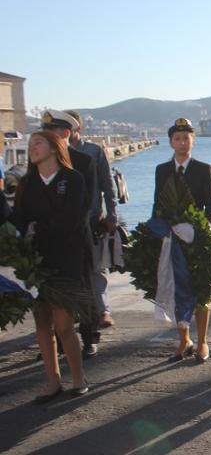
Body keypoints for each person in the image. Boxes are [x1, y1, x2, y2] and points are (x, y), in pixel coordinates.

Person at [13, 130, 90, 402]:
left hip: (64, 260)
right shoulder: (27, 183)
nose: (32, 148)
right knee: (42, 324)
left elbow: (72, 219)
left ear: (55, 148)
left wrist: (38, 228)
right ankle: (53, 381)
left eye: (38, 143)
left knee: (64, 325)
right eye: (30, 144)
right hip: (36, 261)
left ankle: (78, 378)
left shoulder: (73, 179)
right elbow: (19, 219)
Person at [152, 118, 211, 363]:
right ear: (171, 142)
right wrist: (157, 231)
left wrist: (197, 228)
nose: (182, 142)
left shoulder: (203, 169)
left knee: (201, 289)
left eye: (186, 138)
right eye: (177, 138)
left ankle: (202, 342)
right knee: (175, 288)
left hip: (195, 240)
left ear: (193, 140)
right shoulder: (162, 170)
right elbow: (157, 204)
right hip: (170, 238)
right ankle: (184, 340)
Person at [41, 110, 99, 359]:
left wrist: (63, 228)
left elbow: (87, 204)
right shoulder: (40, 161)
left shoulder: (83, 162)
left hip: (76, 237)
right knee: (51, 288)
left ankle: (89, 336)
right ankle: (60, 340)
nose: (45, 135)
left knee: (84, 287)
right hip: (48, 238)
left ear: (65, 133)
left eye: (50, 131)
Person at [66, 109, 119, 329]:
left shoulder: (94, 151)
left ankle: (103, 310)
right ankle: (75, 311)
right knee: (72, 268)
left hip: (93, 218)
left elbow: (107, 184)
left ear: (78, 128)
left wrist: (112, 214)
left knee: (97, 267)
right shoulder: (57, 152)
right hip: (67, 222)